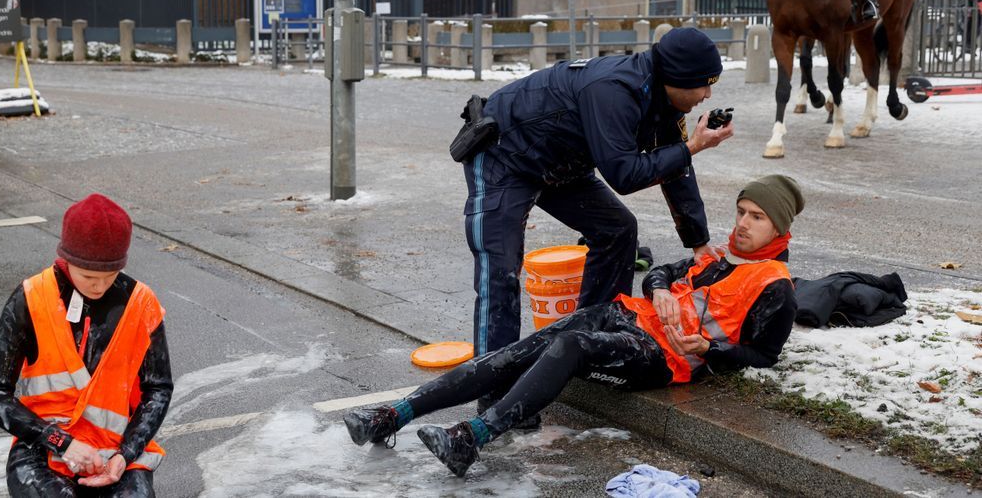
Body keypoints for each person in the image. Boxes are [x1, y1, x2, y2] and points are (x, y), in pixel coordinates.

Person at [344, 175, 804, 477]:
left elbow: (763, 356)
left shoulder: (775, 287)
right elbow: (663, 270)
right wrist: (659, 288)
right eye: (741, 211)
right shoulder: (721, 255)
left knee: (571, 346)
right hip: (627, 316)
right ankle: (391, 416)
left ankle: (473, 438)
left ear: (778, 227)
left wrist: (706, 349)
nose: (742, 223)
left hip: (662, 356)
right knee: (523, 350)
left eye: (756, 217)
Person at [457, 27, 732, 373]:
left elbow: (675, 168)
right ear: (676, 77)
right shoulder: (614, 90)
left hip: (558, 161)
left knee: (618, 230)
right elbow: (624, 175)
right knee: (501, 270)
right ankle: (492, 387)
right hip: (505, 155)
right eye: (704, 84)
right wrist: (692, 146)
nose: (707, 95)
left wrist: (699, 243)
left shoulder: (665, 100)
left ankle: (592, 341)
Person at [0, 194, 172, 497]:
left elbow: (158, 388)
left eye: (110, 276)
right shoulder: (31, 298)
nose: (99, 286)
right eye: (88, 276)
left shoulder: (141, 303)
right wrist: (61, 442)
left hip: (116, 453)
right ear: (66, 260)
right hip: (42, 450)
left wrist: (126, 455)